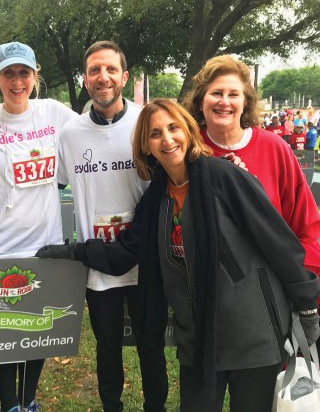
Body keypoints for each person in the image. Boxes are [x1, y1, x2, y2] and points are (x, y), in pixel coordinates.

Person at [37, 98, 320, 412]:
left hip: (251, 335)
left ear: (188, 130)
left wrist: (306, 304)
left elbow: (277, 240)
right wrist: (74, 250)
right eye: (155, 133)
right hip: (197, 341)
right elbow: (124, 253)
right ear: (146, 145)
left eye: (173, 128)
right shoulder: (156, 199)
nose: (167, 139)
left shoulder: (224, 176)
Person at [0, 41, 77, 412]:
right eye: (8, 73)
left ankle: (28, 401)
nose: (17, 80)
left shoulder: (54, 114)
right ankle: (10, 404)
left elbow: (95, 137)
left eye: (23, 72)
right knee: (4, 336)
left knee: (38, 332)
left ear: (34, 75)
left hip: (46, 243)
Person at [57, 41, 167, 412]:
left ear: (124, 76)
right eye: (94, 71)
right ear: (85, 79)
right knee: (107, 346)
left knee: (151, 343)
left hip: (145, 257)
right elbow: (50, 186)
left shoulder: (146, 123)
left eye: (110, 70)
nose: (102, 77)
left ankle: (155, 406)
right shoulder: (69, 135)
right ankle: (112, 407)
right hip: (99, 262)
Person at [182, 54, 320, 350]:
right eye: (216, 93)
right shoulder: (187, 152)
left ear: (246, 102)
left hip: (271, 301)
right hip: (209, 302)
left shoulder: (274, 148)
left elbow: (306, 226)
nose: (224, 101)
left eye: (234, 94)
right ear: (201, 100)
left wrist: (298, 285)